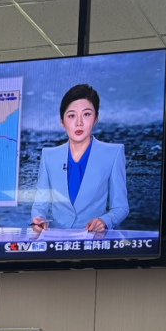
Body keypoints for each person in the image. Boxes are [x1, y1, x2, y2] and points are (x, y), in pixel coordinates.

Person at [30, 84, 129, 234]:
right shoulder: (48, 156)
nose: (79, 123)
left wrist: (104, 221)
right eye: (71, 116)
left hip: (94, 240)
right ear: (62, 121)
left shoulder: (113, 153)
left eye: (86, 114)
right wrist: (38, 218)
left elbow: (120, 207)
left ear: (96, 118)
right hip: (57, 241)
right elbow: (40, 205)